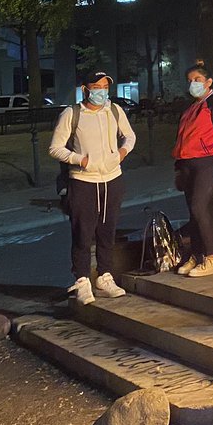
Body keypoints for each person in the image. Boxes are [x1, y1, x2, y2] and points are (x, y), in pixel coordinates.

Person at [48, 70, 136, 305]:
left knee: (107, 230)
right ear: (86, 89)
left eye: (105, 86)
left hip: (112, 179)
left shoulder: (115, 111)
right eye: (96, 87)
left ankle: (105, 277)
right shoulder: (72, 114)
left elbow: (130, 136)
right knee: (83, 233)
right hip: (83, 181)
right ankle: (82, 280)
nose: (101, 91)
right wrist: (80, 160)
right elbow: (55, 148)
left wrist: (122, 153)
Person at [173, 61, 213, 278]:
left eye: (197, 80)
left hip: (206, 162)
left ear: (209, 82)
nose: (193, 84)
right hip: (188, 164)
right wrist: (179, 169)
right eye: (190, 81)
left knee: (200, 208)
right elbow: (183, 139)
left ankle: (212, 257)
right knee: (193, 213)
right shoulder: (190, 108)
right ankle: (197, 254)